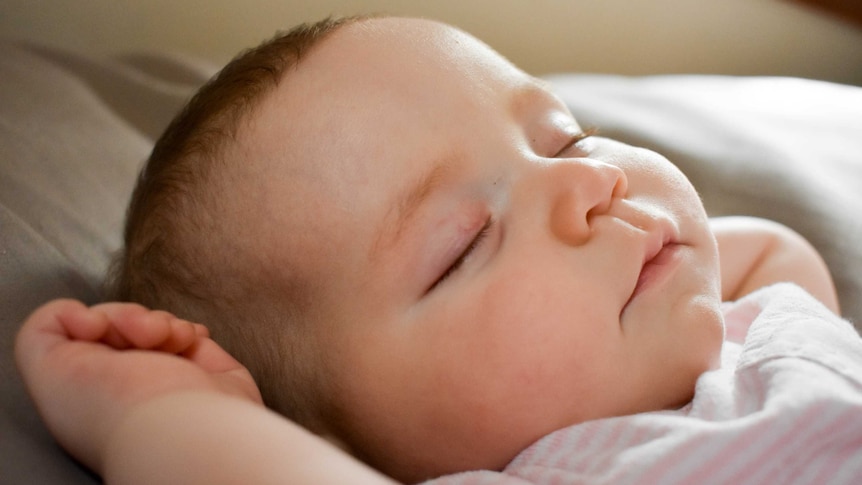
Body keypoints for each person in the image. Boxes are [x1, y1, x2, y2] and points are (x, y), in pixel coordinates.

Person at [14, 14, 857, 485]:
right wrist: (157, 414)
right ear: (333, 441)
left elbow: (767, 260)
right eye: (465, 244)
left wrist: (676, 260)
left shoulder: (747, 329)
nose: (589, 186)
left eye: (565, 139)